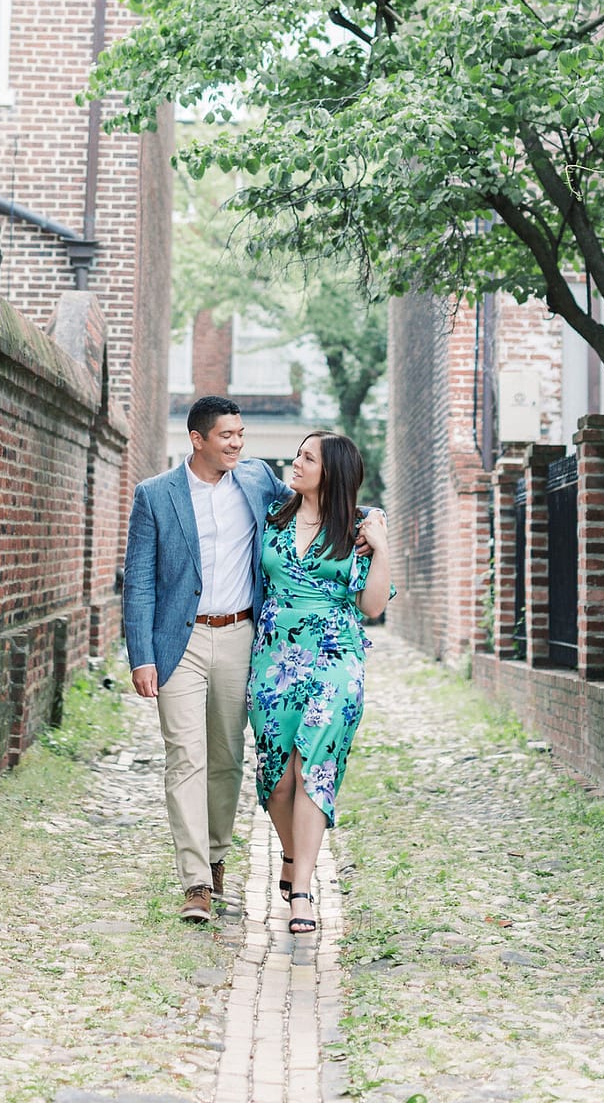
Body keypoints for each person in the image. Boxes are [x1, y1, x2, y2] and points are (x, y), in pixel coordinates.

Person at [121, 395, 285, 924]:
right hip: (180, 641)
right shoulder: (155, 496)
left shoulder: (258, 481)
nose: (237, 443)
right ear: (197, 439)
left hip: (240, 634)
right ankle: (194, 881)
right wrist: (141, 656)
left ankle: (216, 858)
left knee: (226, 758)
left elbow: (308, 506)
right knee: (184, 757)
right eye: (226, 436)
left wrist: (365, 519)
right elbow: (139, 583)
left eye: (240, 434)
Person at [247, 430, 391, 937]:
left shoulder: (360, 526)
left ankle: (302, 889)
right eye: (298, 454)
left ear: (332, 471)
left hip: (335, 657)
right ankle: (291, 853)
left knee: (314, 768)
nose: (296, 462)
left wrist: (382, 546)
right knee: (276, 777)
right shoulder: (274, 516)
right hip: (273, 658)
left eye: (307, 457)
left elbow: (372, 606)